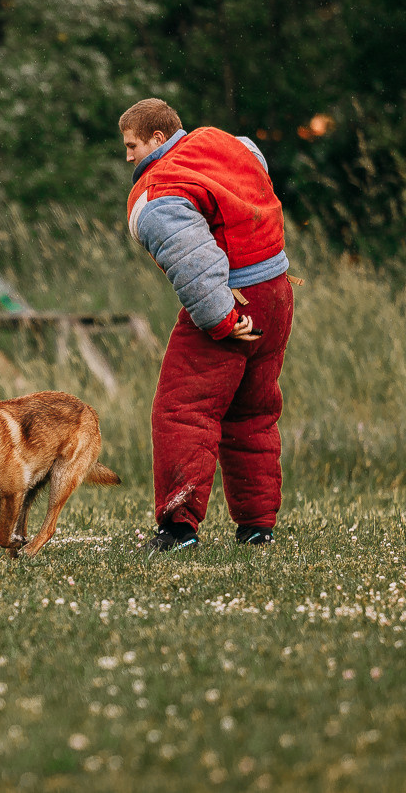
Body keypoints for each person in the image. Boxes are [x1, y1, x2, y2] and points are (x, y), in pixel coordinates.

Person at [118, 98, 295, 552]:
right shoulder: (222, 144)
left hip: (233, 302)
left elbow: (193, 259)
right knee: (252, 412)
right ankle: (257, 526)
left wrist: (221, 320)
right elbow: (254, 159)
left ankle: (179, 529)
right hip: (276, 291)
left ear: (159, 139)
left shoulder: (160, 193)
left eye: (132, 145)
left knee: (182, 409)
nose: (128, 157)